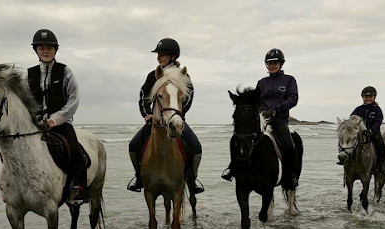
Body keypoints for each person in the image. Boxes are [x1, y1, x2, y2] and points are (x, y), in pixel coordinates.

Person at [127, 38, 204, 194]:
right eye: (158, 54)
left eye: (162, 54)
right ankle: (139, 177)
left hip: (176, 121)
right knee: (133, 145)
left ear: (173, 56)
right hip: (155, 122)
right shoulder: (153, 76)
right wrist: (147, 114)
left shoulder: (183, 75)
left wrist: (178, 115)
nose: (158, 57)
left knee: (196, 146)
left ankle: (192, 179)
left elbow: (189, 98)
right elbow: (143, 96)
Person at [222, 48, 300, 189]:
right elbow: (256, 101)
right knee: (237, 139)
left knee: (289, 145)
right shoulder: (262, 83)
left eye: (275, 62)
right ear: (266, 65)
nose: (272, 65)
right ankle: (232, 168)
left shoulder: (289, 80)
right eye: (270, 63)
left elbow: (293, 99)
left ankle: (290, 175)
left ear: (281, 64)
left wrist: (276, 110)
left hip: (279, 121)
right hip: (262, 119)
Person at [27, 29, 88, 204]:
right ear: (36, 51)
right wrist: (34, 119)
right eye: (41, 48)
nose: (45, 51)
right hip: (36, 124)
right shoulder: (29, 74)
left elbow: (74, 98)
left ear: (55, 50)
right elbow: (25, 101)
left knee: (74, 150)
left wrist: (56, 119)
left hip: (60, 123)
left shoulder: (65, 71)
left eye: (49, 48)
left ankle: (79, 188)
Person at [337, 86, 385, 172]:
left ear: (374, 97)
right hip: (359, 133)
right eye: (366, 97)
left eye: (370, 97)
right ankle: (344, 159)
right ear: (363, 97)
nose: (368, 99)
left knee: (380, 144)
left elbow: (378, 121)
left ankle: (381, 164)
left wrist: (372, 130)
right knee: (345, 141)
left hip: (373, 133)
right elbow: (351, 120)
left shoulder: (377, 110)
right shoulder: (358, 109)